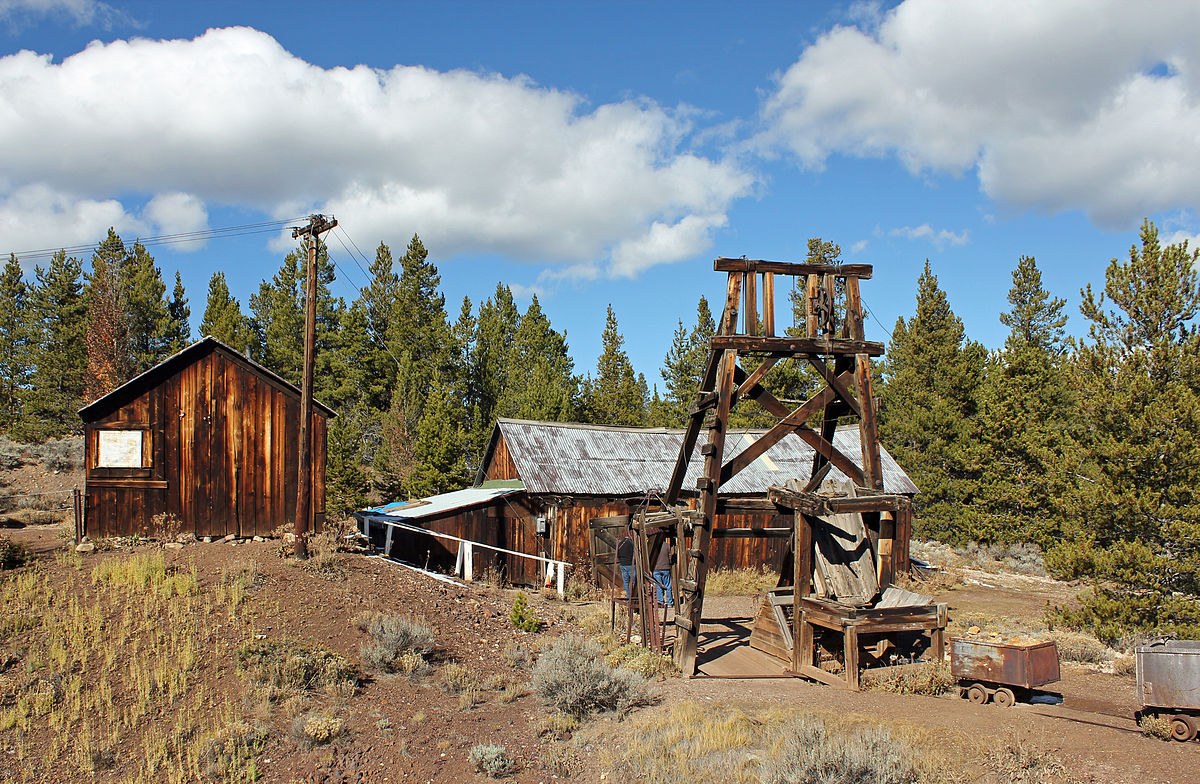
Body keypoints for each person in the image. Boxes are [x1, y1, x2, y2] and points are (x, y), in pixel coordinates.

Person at [652, 539, 673, 609]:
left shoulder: (653, 546)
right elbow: (670, 556)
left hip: (656, 568)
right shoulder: (667, 546)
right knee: (668, 586)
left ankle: (660, 602)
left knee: (658, 586)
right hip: (666, 568)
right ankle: (670, 602)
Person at [616, 531, 635, 597]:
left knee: (626, 581)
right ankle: (634, 595)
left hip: (623, 565)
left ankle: (628, 596)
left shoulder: (620, 544)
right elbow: (634, 554)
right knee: (633, 581)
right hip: (630, 564)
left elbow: (617, 555)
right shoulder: (631, 544)